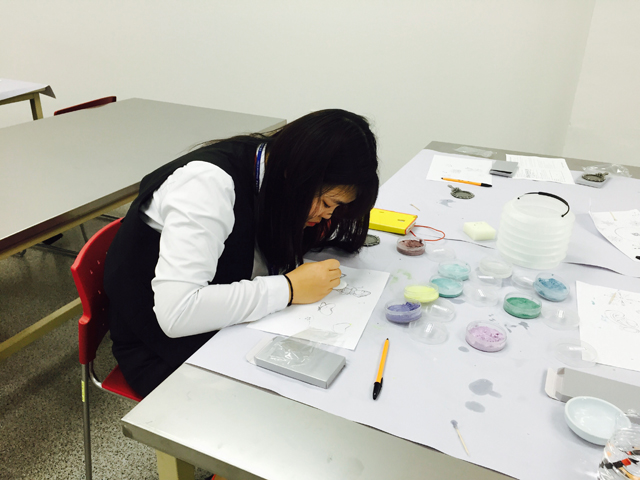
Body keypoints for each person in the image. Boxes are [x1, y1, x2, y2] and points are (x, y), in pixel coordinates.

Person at [103, 109, 379, 397]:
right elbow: (178, 313)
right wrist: (288, 289)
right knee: (296, 399)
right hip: (159, 349)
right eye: (327, 203)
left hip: (225, 324)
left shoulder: (272, 168)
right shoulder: (206, 186)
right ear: (299, 175)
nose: (327, 215)